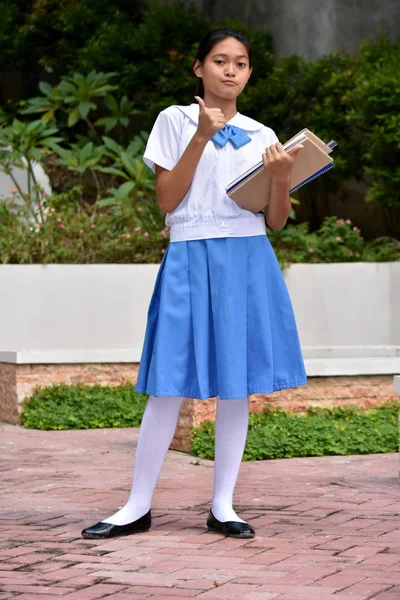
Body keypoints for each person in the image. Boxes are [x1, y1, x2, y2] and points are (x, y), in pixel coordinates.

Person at [81, 28, 307, 541]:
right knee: (167, 382)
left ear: (249, 73)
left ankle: (224, 506)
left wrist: (281, 177)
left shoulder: (264, 134)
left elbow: (276, 221)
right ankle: (136, 506)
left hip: (248, 258)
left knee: (236, 386)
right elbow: (166, 199)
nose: (231, 71)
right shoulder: (174, 119)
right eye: (221, 61)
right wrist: (202, 134)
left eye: (242, 63)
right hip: (189, 252)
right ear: (198, 68)